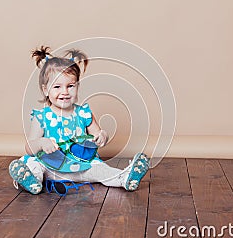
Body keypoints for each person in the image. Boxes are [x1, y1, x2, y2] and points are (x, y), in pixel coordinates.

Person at [8, 46, 149, 195]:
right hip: (50, 166)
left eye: (70, 86)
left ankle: (125, 178)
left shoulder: (84, 113)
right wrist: (42, 143)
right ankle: (32, 181)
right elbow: (30, 147)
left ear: (77, 86)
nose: (65, 92)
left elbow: (98, 134)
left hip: (81, 165)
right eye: (57, 87)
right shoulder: (42, 117)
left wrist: (102, 136)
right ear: (45, 90)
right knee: (32, 163)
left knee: (101, 170)